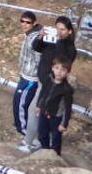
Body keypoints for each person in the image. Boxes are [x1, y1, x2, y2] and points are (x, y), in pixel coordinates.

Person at [23, 16, 77, 153]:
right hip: (43, 81)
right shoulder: (51, 40)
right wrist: (40, 37)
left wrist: (57, 42)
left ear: (69, 31)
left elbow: (63, 64)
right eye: (57, 28)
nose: (59, 32)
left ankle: (31, 143)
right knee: (38, 112)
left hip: (52, 85)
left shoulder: (69, 48)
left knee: (38, 111)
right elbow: (36, 47)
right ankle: (37, 141)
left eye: (62, 29)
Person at [13, 11, 42, 143]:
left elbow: (38, 55)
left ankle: (24, 130)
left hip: (31, 78)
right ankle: (22, 126)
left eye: (28, 22)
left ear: (34, 23)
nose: (24, 24)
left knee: (20, 104)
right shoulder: (29, 34)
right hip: (25, 75)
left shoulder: (35, 37)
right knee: (21, 103)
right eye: (22, 21)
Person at [36, 56, 74, 155]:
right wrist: (38, 106)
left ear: (67, 73)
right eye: (57, 68)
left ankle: (55, 156)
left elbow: (67, 108)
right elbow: (42, 94)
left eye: (63, 70)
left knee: (56, 138)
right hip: (44, 113)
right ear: (52, 68)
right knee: (42, 134)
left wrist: (64, 123)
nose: (59, 72)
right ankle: (44, 151)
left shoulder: (66, 89)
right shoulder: (48, 80)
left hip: (56, 117)